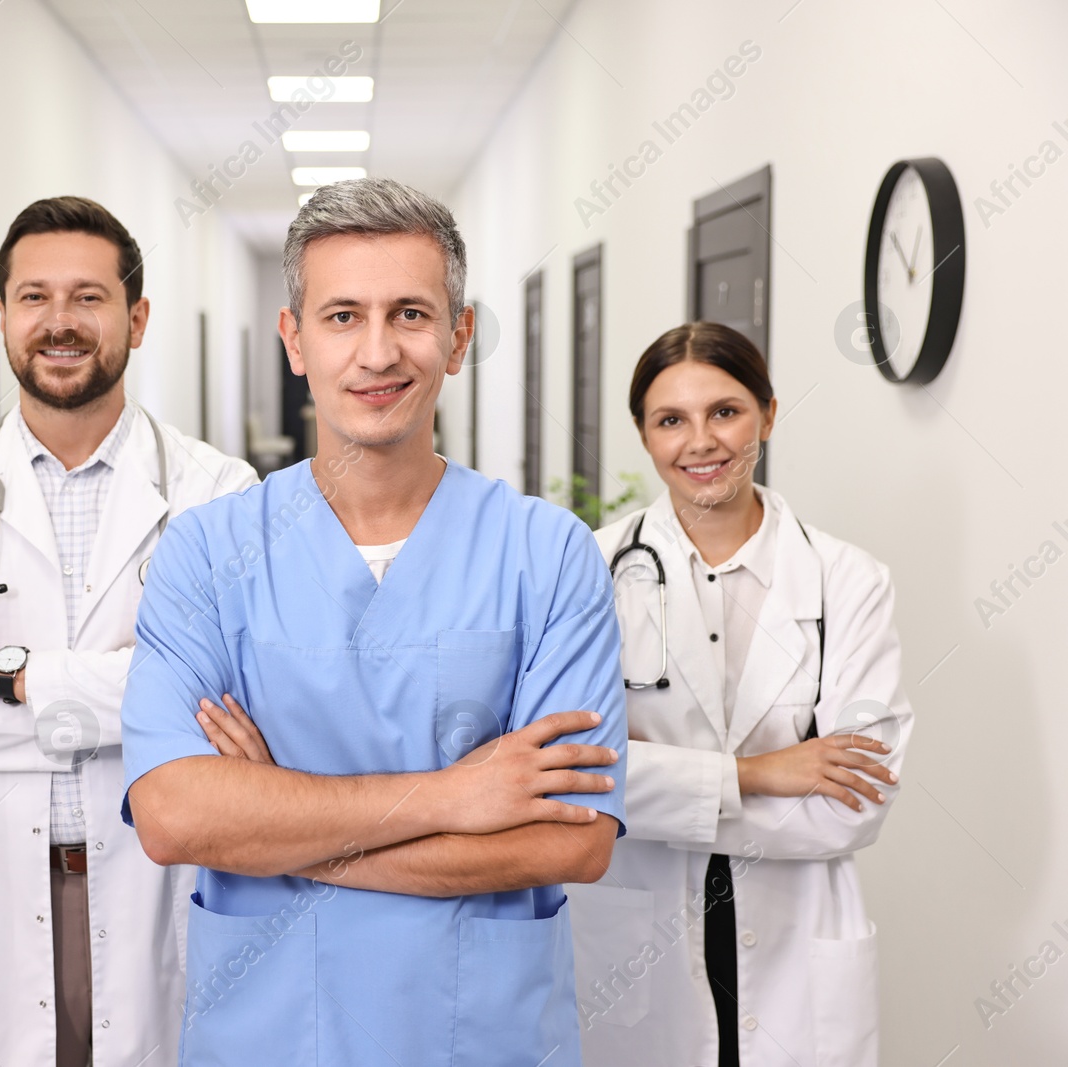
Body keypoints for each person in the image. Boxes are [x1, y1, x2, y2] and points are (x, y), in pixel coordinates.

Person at [118, 177, 627, 1067]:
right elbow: (172, 815)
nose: (378, 351)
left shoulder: (547, 554)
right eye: (343, 315)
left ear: (460, 337)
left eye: (412, 314)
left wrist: (278, 820)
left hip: (479, 1032)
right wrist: (453, 796)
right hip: (268, 1031)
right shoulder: (209, 553)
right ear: (295, 340)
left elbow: (570, 838)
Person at [0, 196, 258, 1067]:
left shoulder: (218, 491)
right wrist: (130, 697)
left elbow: (217, 695)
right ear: (2, 315)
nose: (60, 322)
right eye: (34, 297)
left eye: (89, 296)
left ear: (136, 317)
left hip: (155, 870)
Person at [571, 322, 913, 1067]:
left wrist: (652, 792)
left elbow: (856, 802)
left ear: (768, 412)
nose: (702, 442)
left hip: (798, 944)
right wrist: (760, 773)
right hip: (640, 947)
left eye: (724, 411)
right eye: (671, 420)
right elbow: (577, 777)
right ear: (643, 433)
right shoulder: (589, 572)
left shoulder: (849, 581)